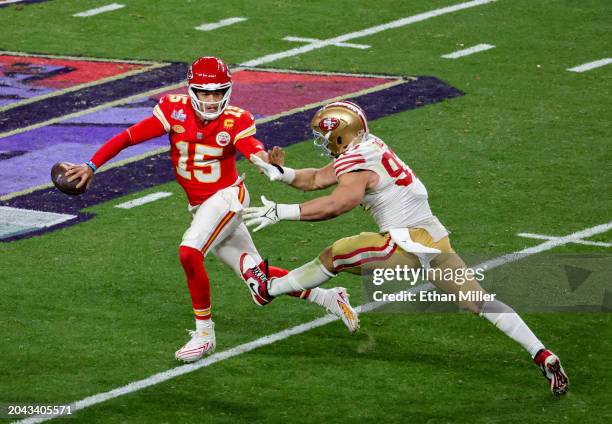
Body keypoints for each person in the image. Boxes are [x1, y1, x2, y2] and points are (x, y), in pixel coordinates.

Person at [239, 100, 569, 396]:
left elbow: (337, 204)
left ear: (339, 135)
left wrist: (282, 211)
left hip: (405, 242)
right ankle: (541, 353)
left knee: (336, 254)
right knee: (477, 300)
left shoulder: (356, 162)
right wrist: (281, 174)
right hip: (432, 236)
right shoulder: (369, 146)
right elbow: (316, 179)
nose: (323, 143)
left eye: (326, 137)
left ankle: (268, 288)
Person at [65, 57, 359, 363]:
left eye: (218, 92)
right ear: (192, 90)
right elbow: (128, 137)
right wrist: (91, 165)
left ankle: (204, 333)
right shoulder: (173, 109)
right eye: (205, 93)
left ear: (227, 91)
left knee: (189, 252)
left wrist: (267, 162)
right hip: (202, 206)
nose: (211, 99)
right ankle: (329, 296)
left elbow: (252, 147)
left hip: (227, 199)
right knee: (259, 280)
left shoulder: (236, 119)